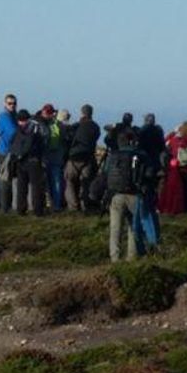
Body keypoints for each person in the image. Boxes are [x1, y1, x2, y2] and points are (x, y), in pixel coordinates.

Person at [105, 130, 144, 261]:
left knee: (115, 229)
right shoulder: (140, 155)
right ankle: (132, 257)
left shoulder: (113, 155)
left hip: (116, 195)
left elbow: (106, 173)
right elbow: (149, 174)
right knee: (134, 227)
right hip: (135, 195)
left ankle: (114, 258)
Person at [9, 109, 48, 216]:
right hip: (34, 160)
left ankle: (21, 209)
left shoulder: (17, 131)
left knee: (21, 187)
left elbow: (11, 143)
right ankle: (38, 211)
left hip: (20, 161)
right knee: (36, 187)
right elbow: (41, 144)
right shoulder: (35, 130)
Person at [64, 104, 100, 211]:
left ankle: (73, 205)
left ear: (82, 113)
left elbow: (69, 136)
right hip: (88, 157)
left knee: (69, 180)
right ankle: (86, 204)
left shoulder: (77, 125)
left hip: (74, 156)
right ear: (91, 113)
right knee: (86, 182)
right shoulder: (95, 127)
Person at [158, 121, 187, 215]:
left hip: (175, 167)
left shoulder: (174, 140)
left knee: (174, 190)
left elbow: (164, 143)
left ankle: (173, 209)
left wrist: (173, 132)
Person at [39, 105, 66, 211]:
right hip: (57, 157)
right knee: (56, 182)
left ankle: (50, 204)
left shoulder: (46, 125)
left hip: (47, 157)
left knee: (48, 183)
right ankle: (57, 205)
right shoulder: (59, 125)